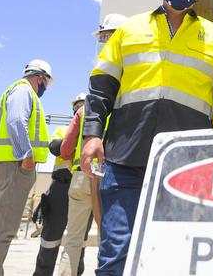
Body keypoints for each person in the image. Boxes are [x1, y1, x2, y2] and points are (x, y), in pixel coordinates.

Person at [80, 0, 213, 275]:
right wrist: (91, 136)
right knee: (116, 253)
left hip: (185, 164)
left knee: (179, 253)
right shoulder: (128, 31)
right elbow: (101, 88)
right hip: (124, 159)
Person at [56, 15, 127, 276]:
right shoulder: (124, 101)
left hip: (80, 177)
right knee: (112, 241)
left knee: (73, 240)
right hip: (111, 176)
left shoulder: (87, 107)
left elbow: (65, 149)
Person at [0, 59, 54, 276]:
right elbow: (15, 121)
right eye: (47, 83)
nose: (46, 88)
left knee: (1, 228)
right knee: (2, 230)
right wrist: (26, 156)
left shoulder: (19, 92)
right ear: (40, 78)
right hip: (13, 166)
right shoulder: (23, 91)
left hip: (8, 166)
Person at [32, 95, 84, 276]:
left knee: (79, 241)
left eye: (84, 106)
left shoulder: (94, 134)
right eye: (78, 107)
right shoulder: (63, 129)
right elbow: (55, 147)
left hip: (84, 187)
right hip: (60, 188)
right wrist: (75, 139)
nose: (81, 109)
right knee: (50, 239)